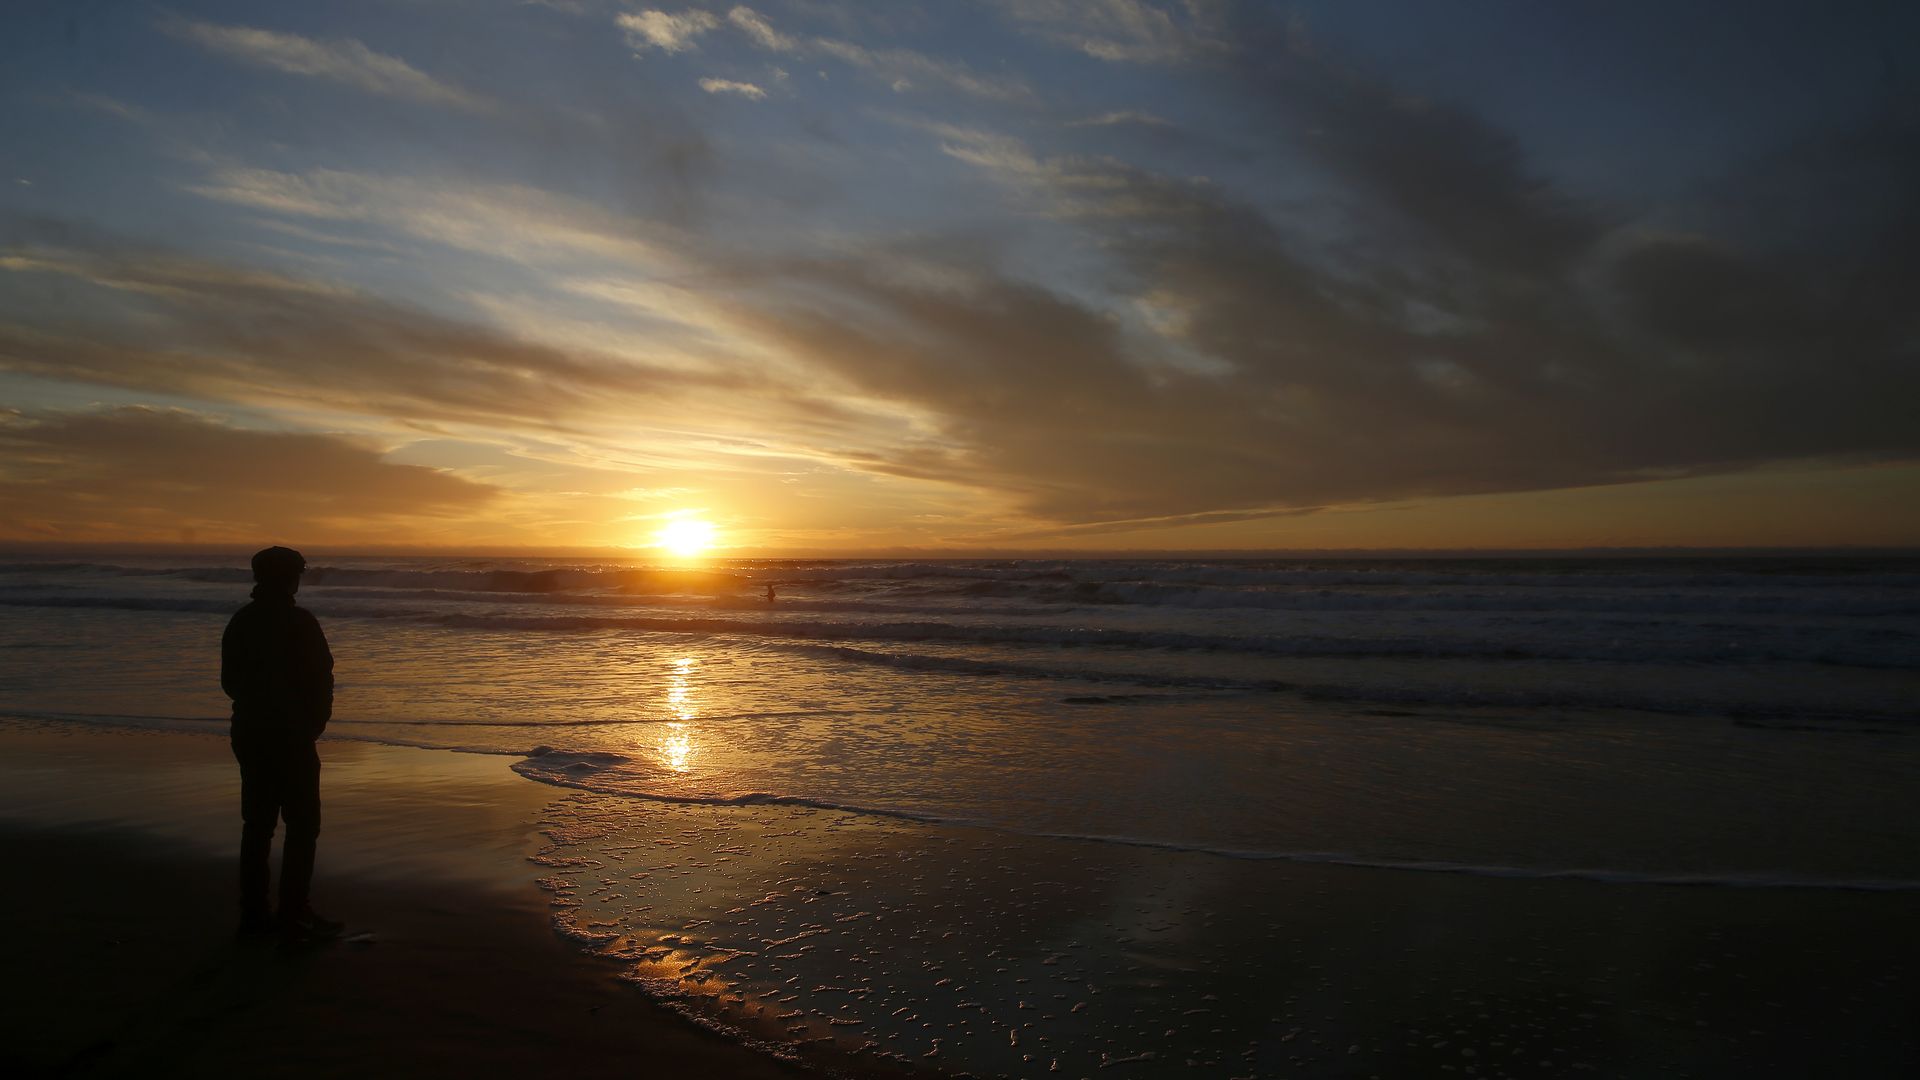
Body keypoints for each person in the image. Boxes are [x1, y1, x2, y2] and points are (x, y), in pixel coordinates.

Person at [221, 545, 342, 943]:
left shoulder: (242, 621)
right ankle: (293, 912)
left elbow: (230, 683)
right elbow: (323, 678)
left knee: (257, 825)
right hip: (291, 735)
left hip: (251, 731)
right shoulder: (300, 622)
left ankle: (253, 915)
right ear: (290, 578)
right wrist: (313, 723)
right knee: (303, 825)